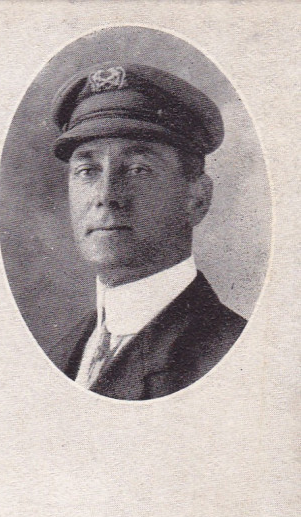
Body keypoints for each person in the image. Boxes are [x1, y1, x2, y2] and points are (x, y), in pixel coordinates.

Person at [51, 63, 246, 400]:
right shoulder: (61, 352)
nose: (106, 196)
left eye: (139, 169)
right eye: (87, 170)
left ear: (197, 199)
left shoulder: (234, 356)